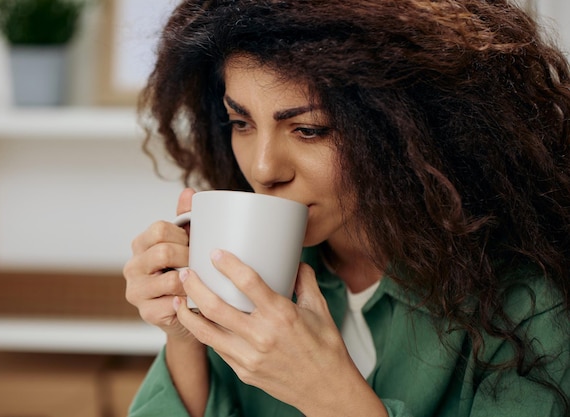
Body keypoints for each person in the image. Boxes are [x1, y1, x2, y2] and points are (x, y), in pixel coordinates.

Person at [122, 0, 570, 416]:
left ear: (409, 128)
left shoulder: (526, 307)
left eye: (309, 129)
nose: (263, 169)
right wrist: (185, 335)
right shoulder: (250, 275)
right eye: (241, 122)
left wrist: (327, 393)